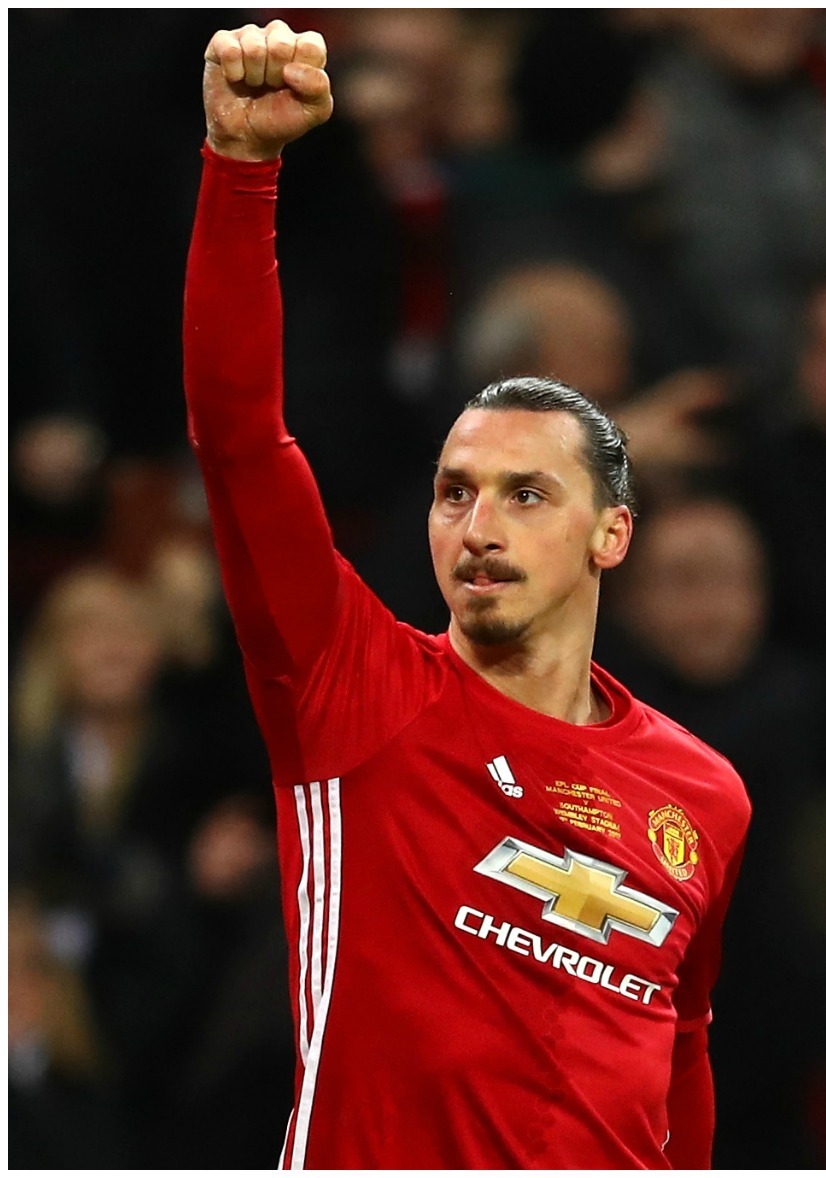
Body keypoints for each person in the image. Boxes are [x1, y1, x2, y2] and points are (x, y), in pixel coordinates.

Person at [186, 22, 749, 1168]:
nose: (478, 526)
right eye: (455, 493)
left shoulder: (705, 794)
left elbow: (679, 1060)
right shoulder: (352, 685)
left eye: (526, 493)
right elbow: (241, 438)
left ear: (611, 531)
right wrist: (243, 173)